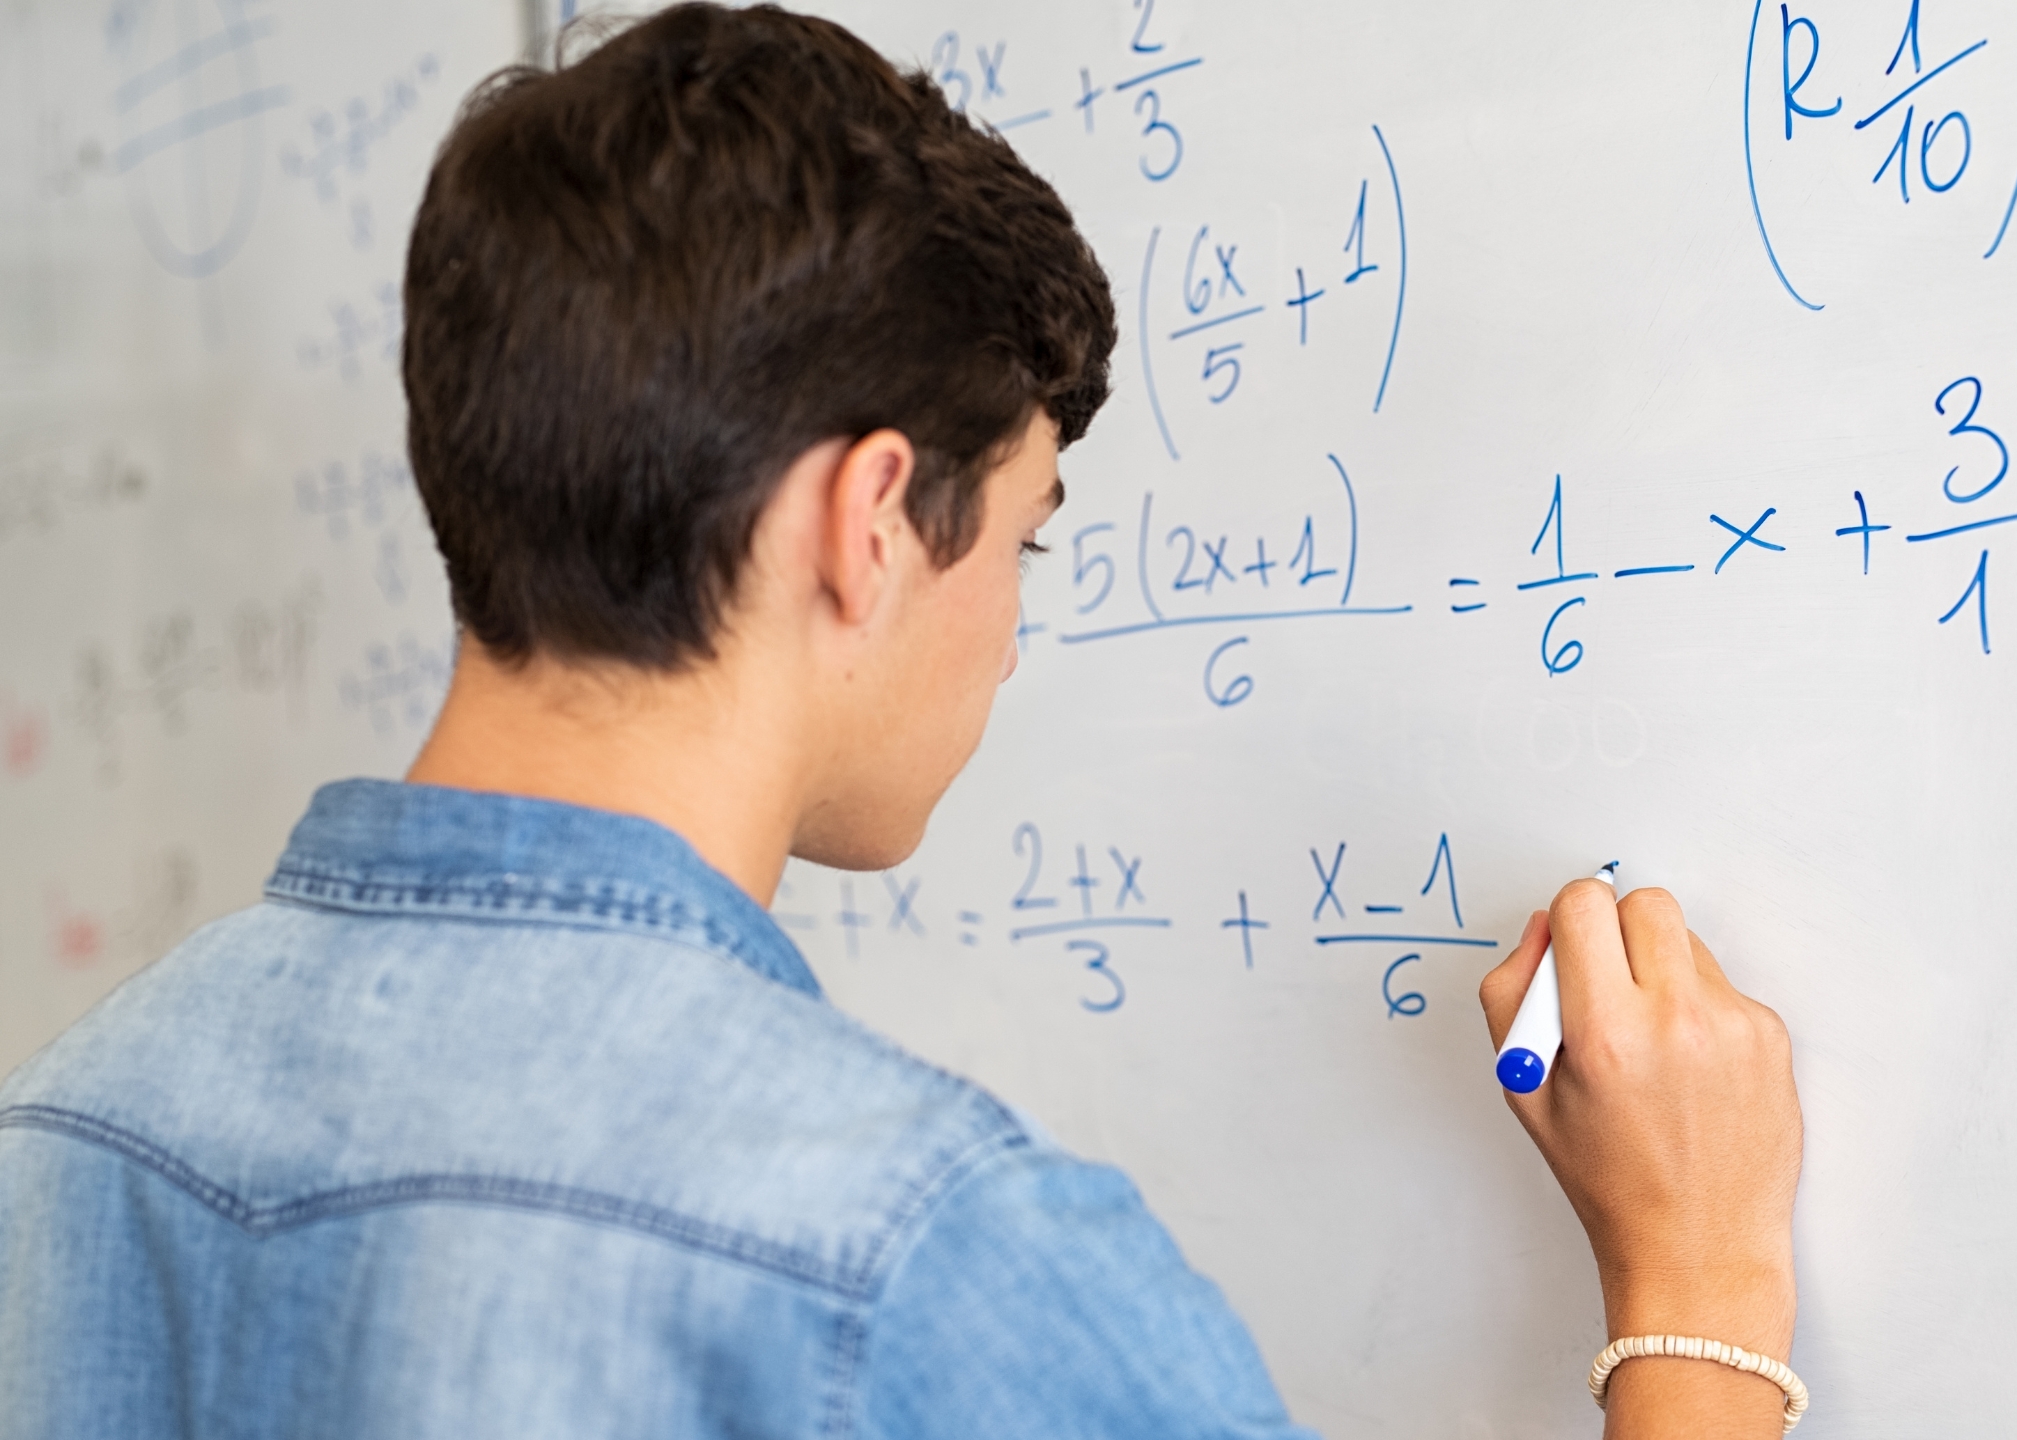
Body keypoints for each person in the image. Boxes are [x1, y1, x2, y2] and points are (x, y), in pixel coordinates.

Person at [0, 6, 1804, 1436]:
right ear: (868, 523)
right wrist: (1699, 1289)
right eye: (1023, 539)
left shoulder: (65, 1136)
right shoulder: (918, 1255)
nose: (1010, 641)